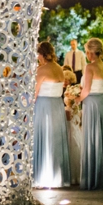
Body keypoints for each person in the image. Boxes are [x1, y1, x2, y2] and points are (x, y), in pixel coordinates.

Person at [77, 38, 103, 190]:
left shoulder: (90, 67)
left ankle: (93, 177)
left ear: (91, 52)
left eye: (87, 51)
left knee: (93, 137)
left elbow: (86, 90)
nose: (86, 54)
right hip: (102, 101)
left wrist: (76, 99)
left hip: (92, 102)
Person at [33, 42, 71, 188]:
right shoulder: (59, 69)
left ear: (41, 54)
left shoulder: (41, 70)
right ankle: (57, 176)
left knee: (43, 137)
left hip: (44, 106)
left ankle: (42, 176)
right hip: (57, 106)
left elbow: (34, 93)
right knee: (55, 139)